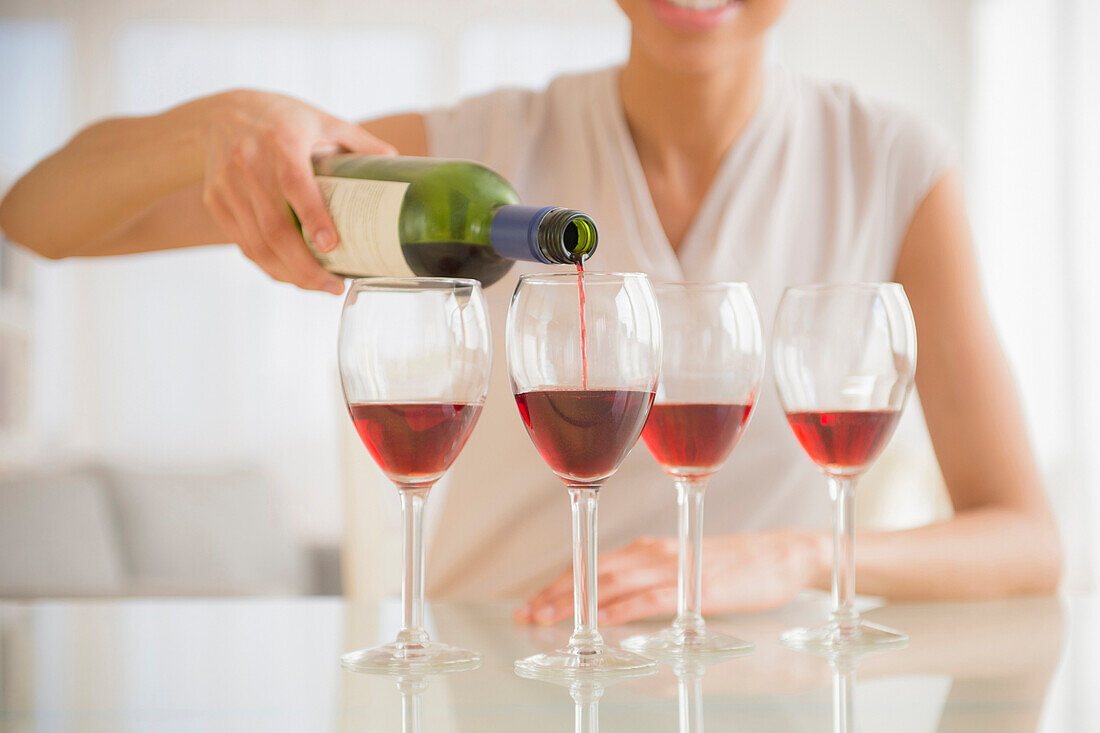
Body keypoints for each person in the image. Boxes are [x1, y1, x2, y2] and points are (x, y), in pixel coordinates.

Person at [0, 0, 1061, 624]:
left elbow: (1024, 541)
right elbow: (39, 216)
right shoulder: (475, 153)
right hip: (488, 679)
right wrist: (218, 124)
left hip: (743, 697)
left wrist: (796, 557)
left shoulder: (888, 162)